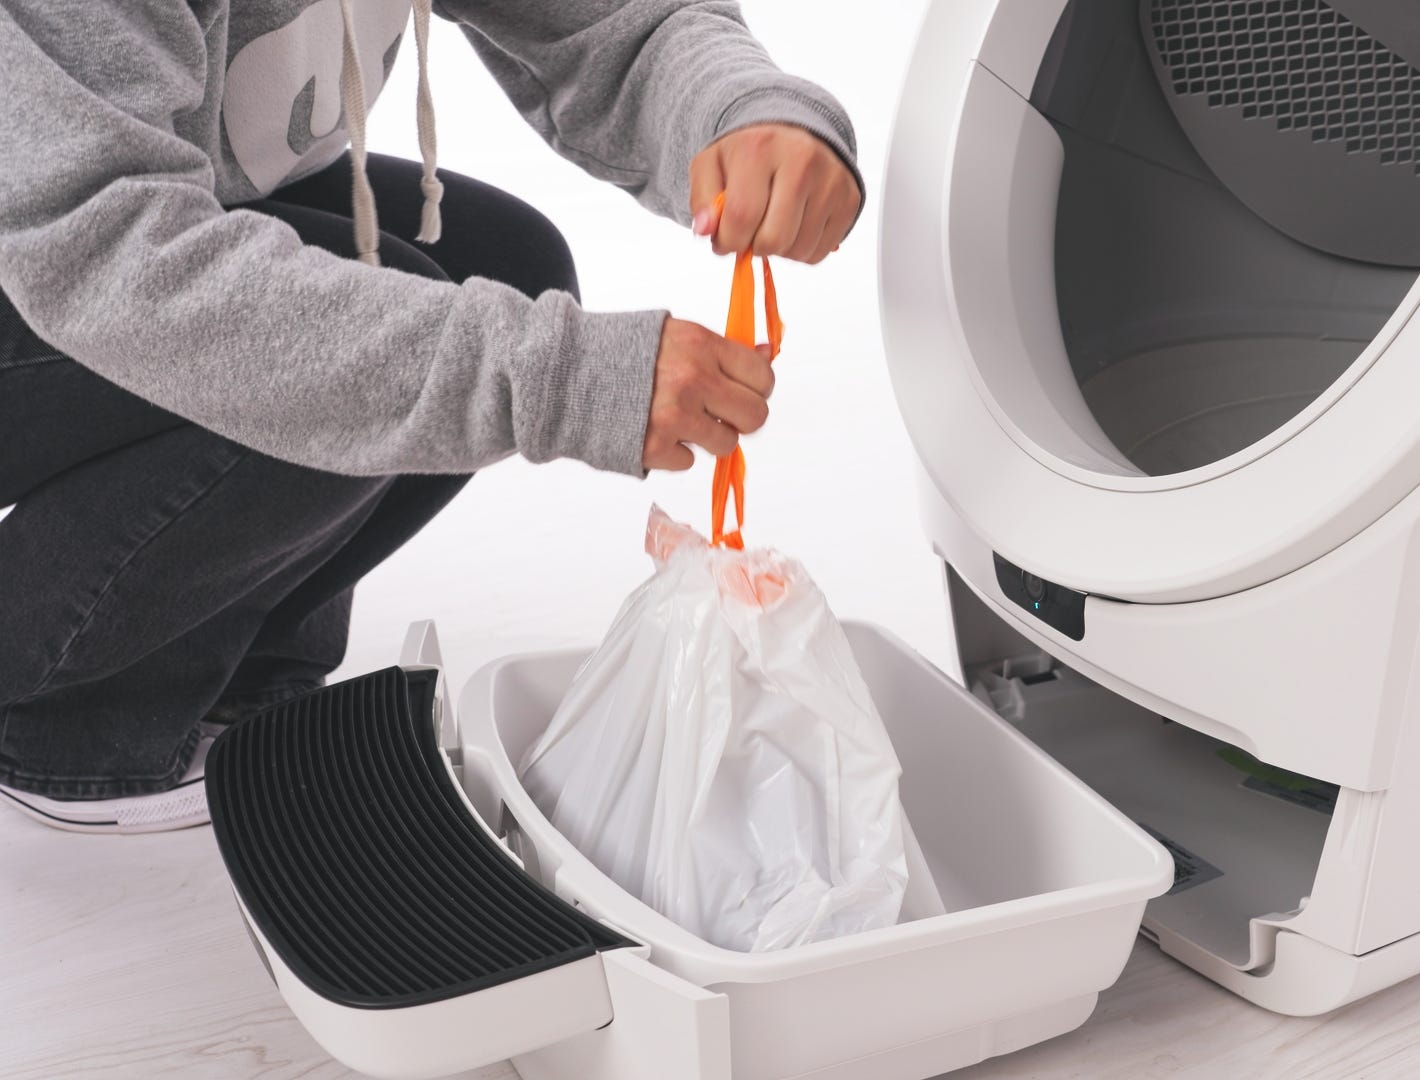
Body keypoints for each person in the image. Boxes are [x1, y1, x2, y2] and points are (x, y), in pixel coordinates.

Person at [0, 0, 864, 832]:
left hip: (110, 224)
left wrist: (746, 114)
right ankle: (67, 721)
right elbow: (109, 242)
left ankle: (233, 668)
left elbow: (616, 25)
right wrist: (555, 377)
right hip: (67, 245)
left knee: (505, 268)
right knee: (351, 346)